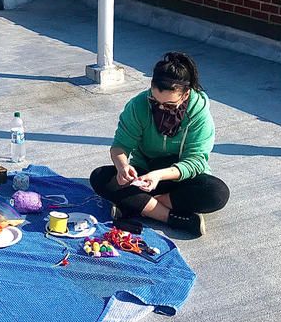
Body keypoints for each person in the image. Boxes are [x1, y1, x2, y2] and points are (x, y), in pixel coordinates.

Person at [90, 52, 229, 238]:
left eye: (170, 105)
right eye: (155, 102)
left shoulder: (199, 113)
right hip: (145, 172)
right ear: (151, 88)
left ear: (185, 94)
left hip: (181, 177)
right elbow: (119, 146)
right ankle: (171, 218)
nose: (162, 108)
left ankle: (141, 205)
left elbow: (195, 161)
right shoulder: (138, 105)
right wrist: (122, 166)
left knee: (217, 193)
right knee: (100, 177)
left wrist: (158, 176)